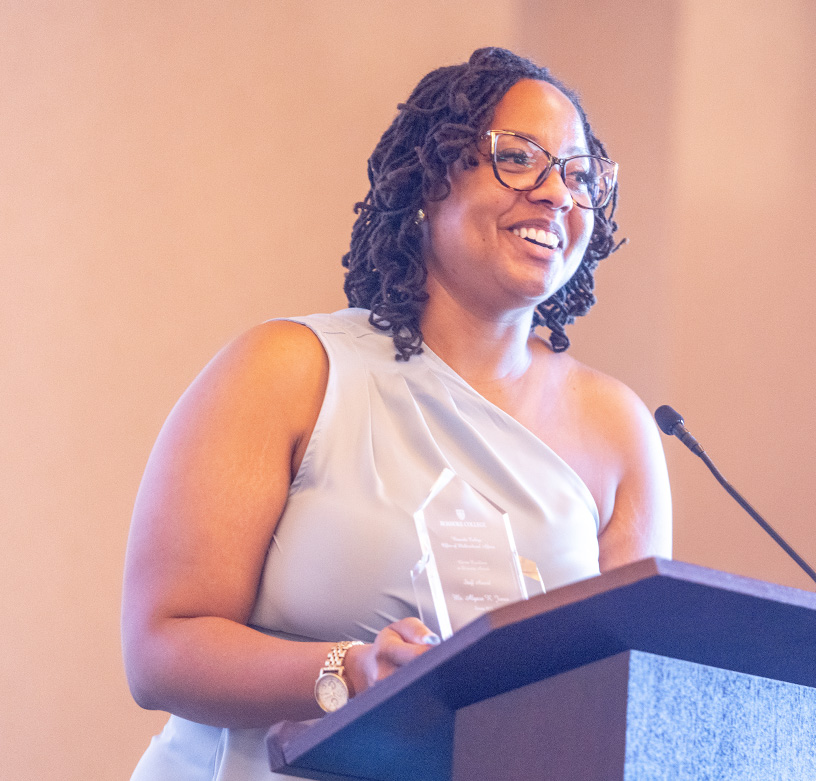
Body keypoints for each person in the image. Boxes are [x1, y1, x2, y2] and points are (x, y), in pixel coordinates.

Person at [122, 47, 672, 779]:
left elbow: (628, 696)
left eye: (579, 175)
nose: (556, 195)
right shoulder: (289, 369)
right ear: (428, 177)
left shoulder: (620, 430)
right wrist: (347, 671)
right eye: (518, 158)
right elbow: (159, 649)